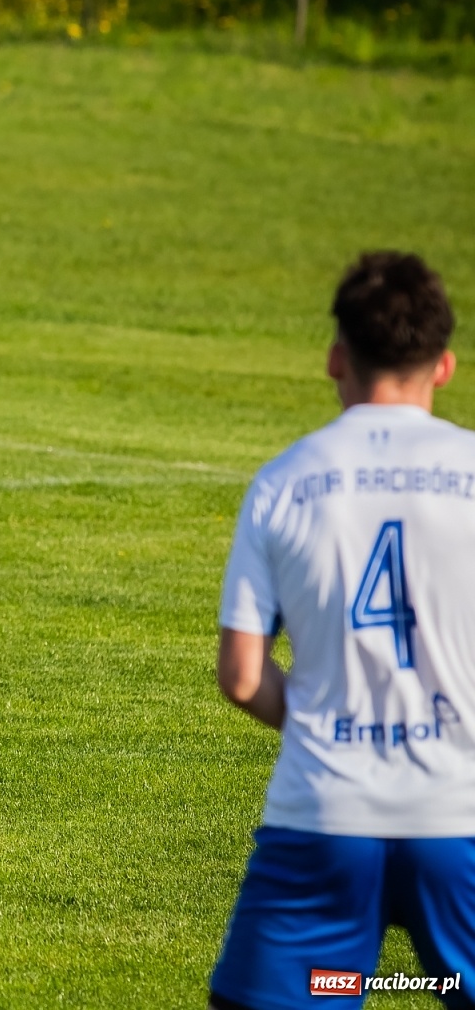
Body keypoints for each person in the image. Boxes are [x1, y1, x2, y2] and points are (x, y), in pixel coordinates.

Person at [208, 252, 474, 1010]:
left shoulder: (284, 483)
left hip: (323, 815)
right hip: (461, 816)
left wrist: (331, 723)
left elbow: (242, 676)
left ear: (335, 357)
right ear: (445, 366)